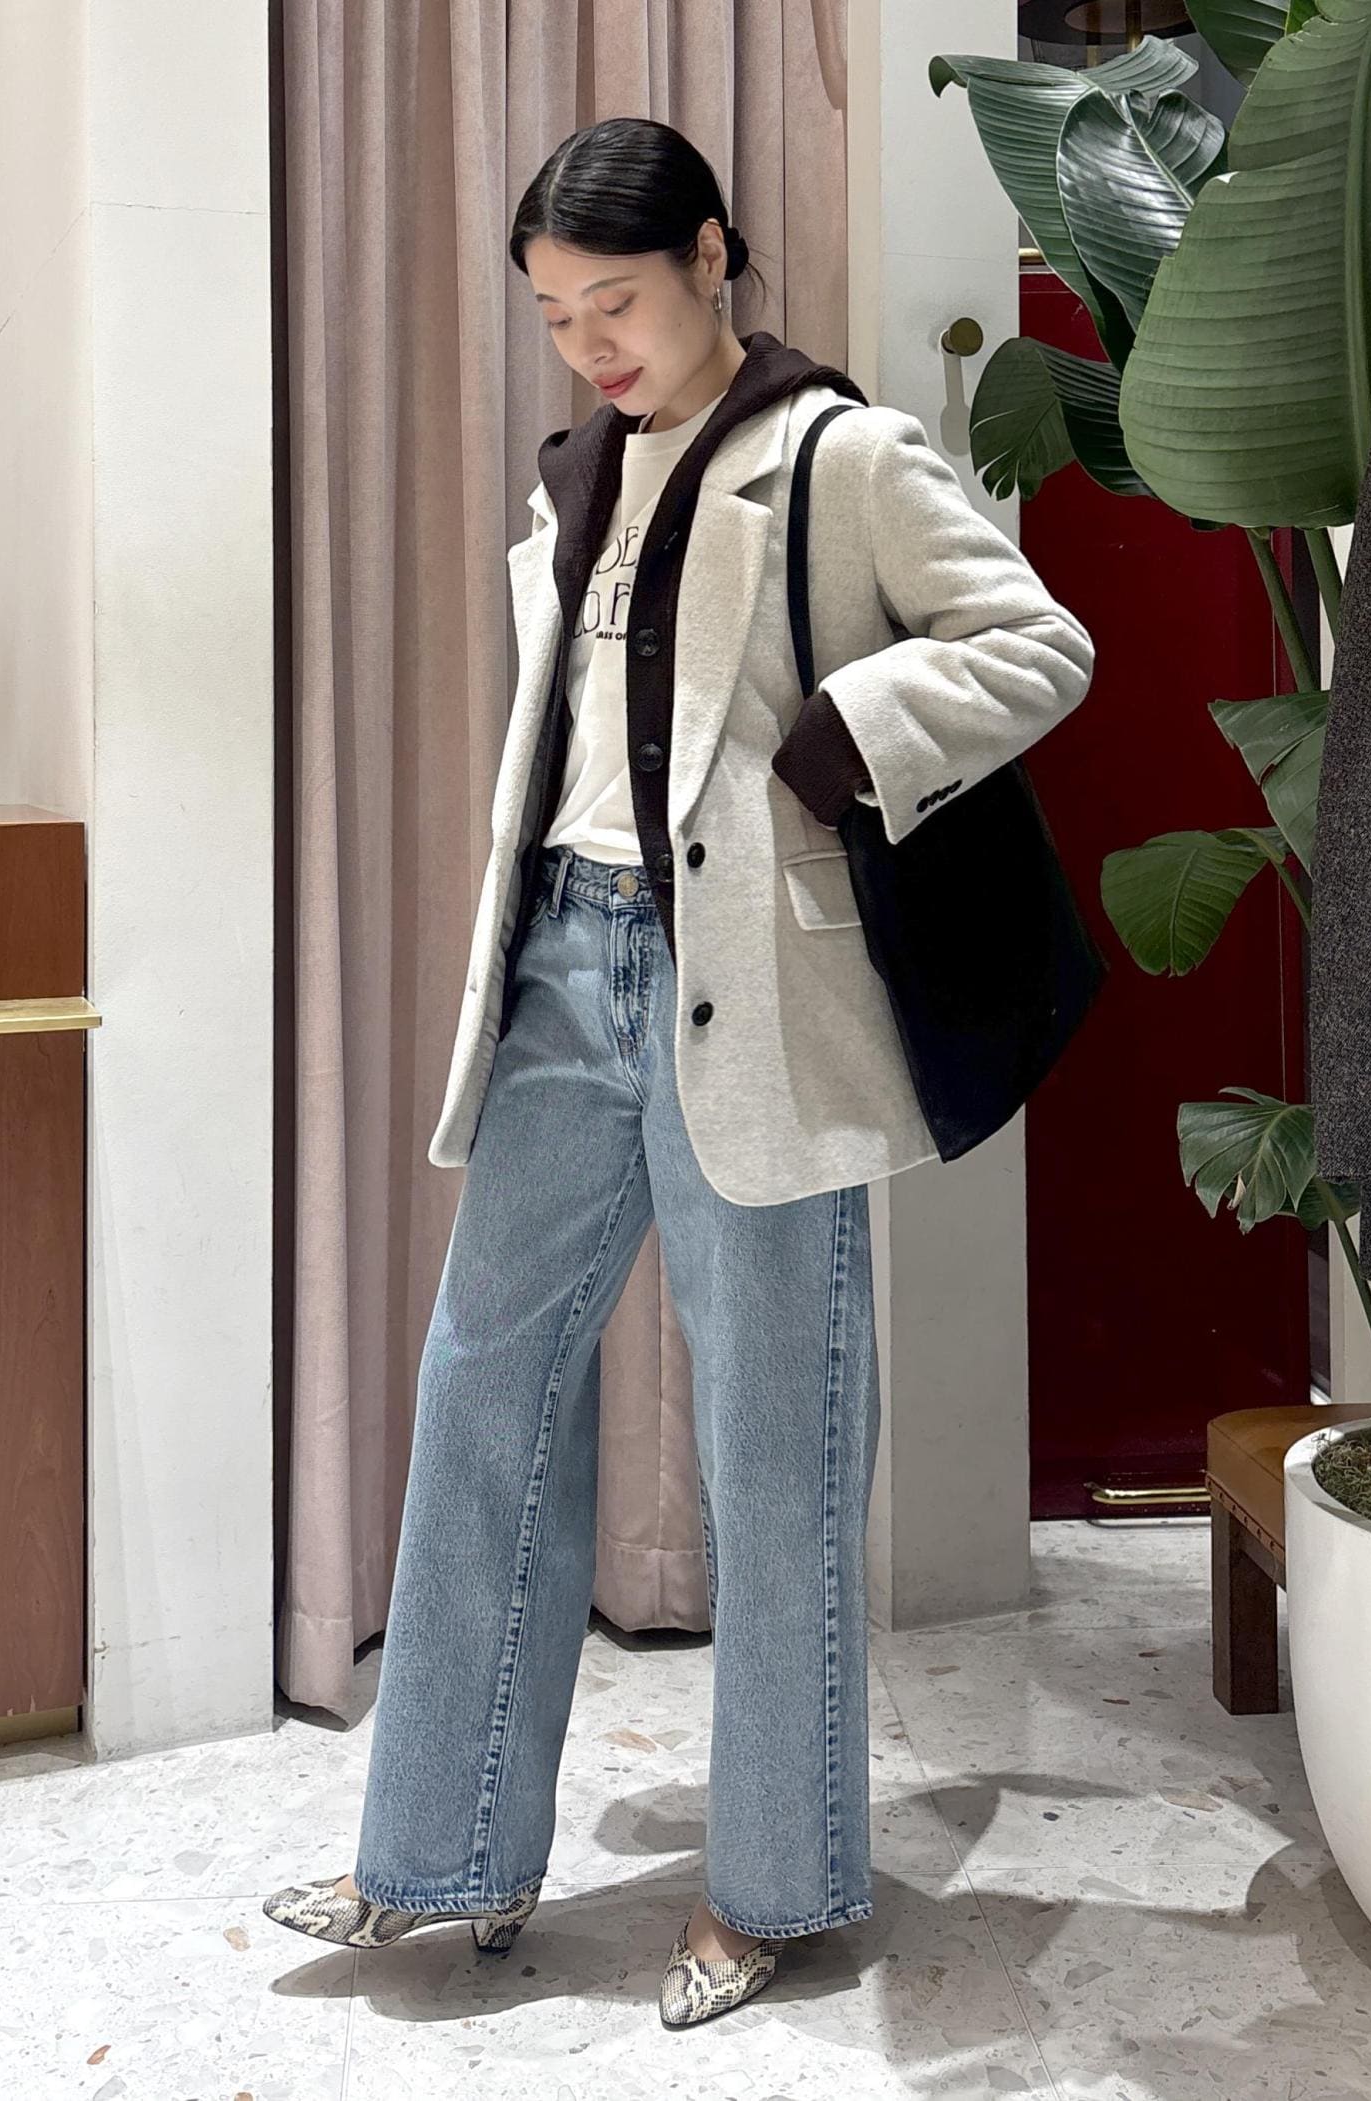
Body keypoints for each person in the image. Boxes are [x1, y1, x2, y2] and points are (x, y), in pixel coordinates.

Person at [265, 115, 1096, 2030]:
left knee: (776, 1440)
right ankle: (442, 1853)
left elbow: (1036, 638)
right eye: (557, 316)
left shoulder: (839, 452)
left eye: (615, 303)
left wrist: (848, 733)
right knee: (484, 1384)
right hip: (567, 967)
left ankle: (777, 1882)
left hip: (754, 993)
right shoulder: (588, 466)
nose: (589, 346)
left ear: (712, 255)